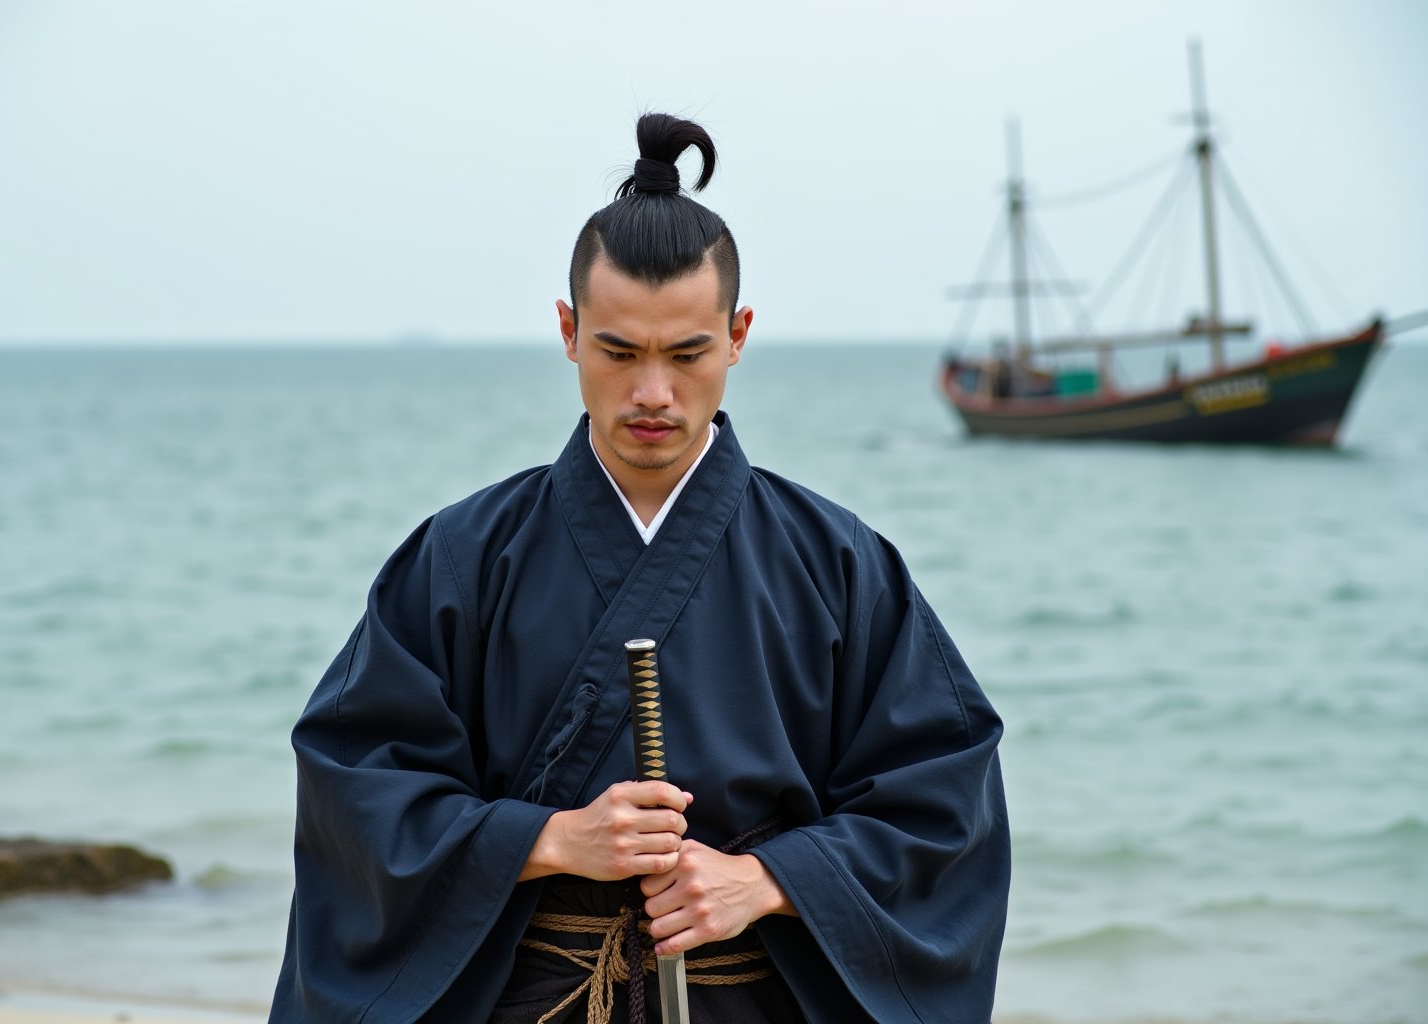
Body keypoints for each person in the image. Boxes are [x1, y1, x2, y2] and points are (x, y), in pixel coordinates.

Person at [269, 113, 1009, 1024]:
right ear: (569, 330)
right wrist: (547, 839)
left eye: (687, 353)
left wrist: (766, 880)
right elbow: (356, 788)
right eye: (619, 352)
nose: (653, 393)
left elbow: (943, 800)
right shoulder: (462, 555)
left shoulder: (839, 562)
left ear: (737, 335)